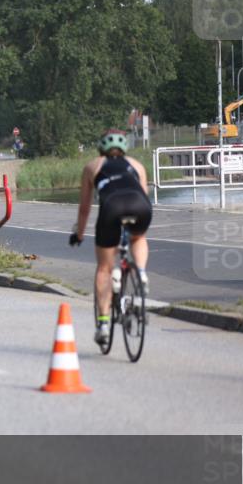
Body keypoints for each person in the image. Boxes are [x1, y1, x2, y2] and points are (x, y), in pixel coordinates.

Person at [69, 129, 152, 347]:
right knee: (137, 238)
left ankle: (103, 324)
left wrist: (79, 235)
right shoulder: (137, 165)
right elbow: (144, 195)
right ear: (124, 148)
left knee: (105, 268)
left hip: (111, 208)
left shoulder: (92, 166)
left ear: (101, 148)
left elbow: (85, 208)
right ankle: (141, 273)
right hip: (140, 207)